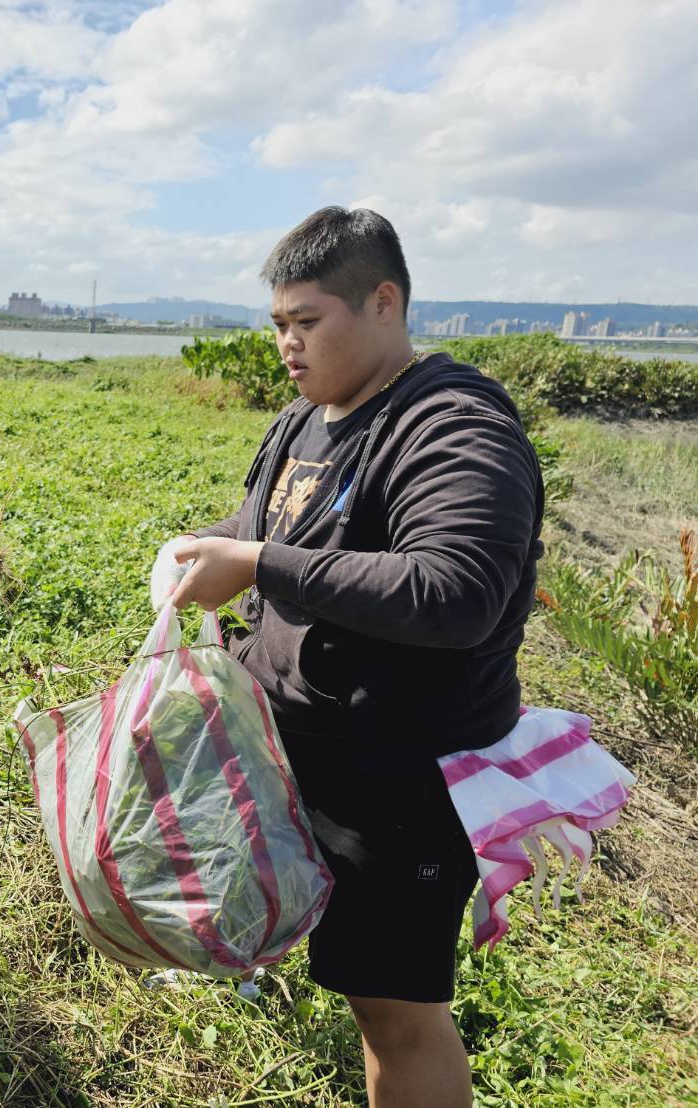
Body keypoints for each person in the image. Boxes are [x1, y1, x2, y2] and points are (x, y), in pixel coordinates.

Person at [152, 207, 543, 1108]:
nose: (287, 346)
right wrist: (203, 546)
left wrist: (258, 563)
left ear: (383, 302)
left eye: (307, 323)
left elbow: (456, 592)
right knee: (310, 942)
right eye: (278, 326)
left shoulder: (453, 425)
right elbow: (272, 533)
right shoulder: (306, 419)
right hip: (294, 748)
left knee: (394, 1011)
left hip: (396, 778)